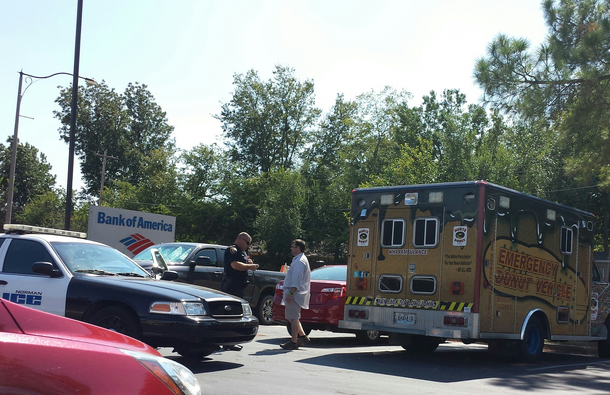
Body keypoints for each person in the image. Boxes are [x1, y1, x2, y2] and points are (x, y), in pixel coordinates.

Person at [280, 239, 311, 350]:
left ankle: (293, 342)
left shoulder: (299, 261)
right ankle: (302, 336)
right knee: (292, 317)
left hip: (294, 293)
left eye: (293, 246)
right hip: (294, 292)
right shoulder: (298, 260)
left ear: (298, 248)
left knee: (293, 318)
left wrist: (290, 292)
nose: (291, 248)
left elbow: (297, 279)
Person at [221, 232, 259, 298]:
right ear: (241, 239)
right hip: (231, 286)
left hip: (239, 286)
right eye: (247, 243)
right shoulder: (232, 250)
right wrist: (250, 266)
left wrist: (248, 263)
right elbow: (235, 265)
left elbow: (242, 263)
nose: (248, 246)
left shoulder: (241, 252)